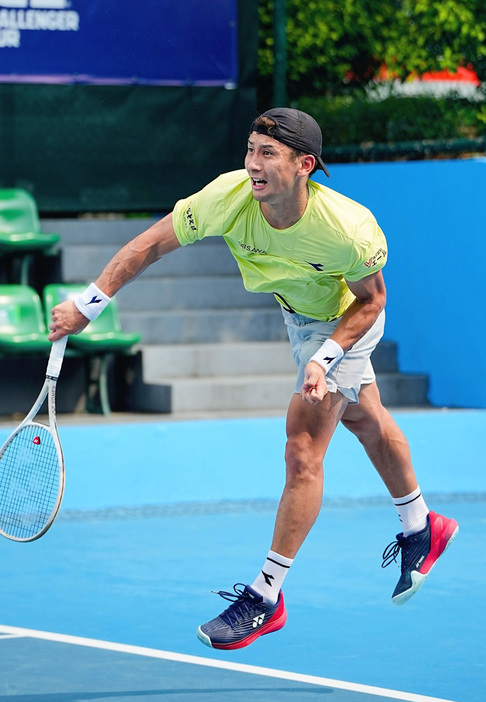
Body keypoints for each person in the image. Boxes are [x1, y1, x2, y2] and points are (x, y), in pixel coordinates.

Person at [49, 107, 459, 651]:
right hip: (296, 314)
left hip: (342, 320)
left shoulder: (347, 229)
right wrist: (88, 304)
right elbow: (149, 244)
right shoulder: (227, 197)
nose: (253, 164)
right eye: (249, 150)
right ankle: (421, 526)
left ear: (304, 165)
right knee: (364, 419)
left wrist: (326, 357)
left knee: (302, 448)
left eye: (267, 154)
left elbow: (372, 301)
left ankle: (267, 596)